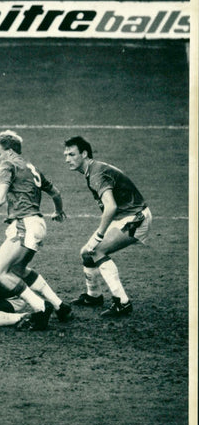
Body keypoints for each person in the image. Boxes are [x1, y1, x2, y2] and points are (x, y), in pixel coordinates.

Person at [0, 130, 68, 330]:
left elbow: (0, 198)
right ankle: (59, 306)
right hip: (37, 224)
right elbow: (56, 193)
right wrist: (58, 211)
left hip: (25, 225)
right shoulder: (31, 168)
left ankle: (40, 308)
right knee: (18, 270)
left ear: (10, 151)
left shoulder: (8, 164)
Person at [63, 136, 152, 318]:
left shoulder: (96, 173)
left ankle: (123, 303)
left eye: (72, 154)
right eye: (66, 155)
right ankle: (93, 296)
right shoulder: (93, 169)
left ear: (84, 154)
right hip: (126, 216)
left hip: (136, 218)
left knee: (96, 251)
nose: (67, 159)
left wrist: (99, 236)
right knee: (86, 253)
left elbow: (111, 207)